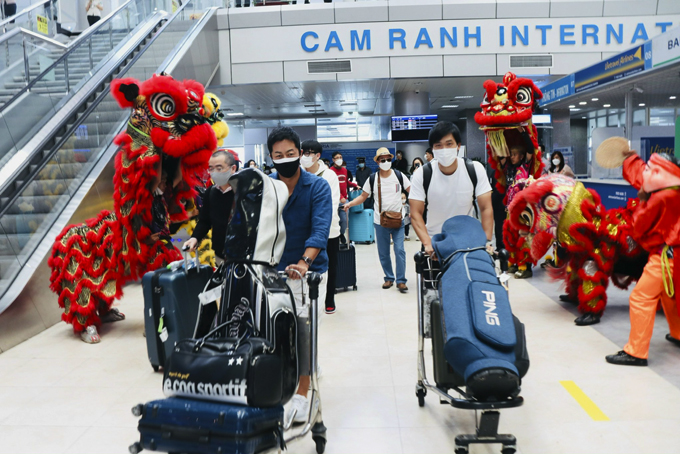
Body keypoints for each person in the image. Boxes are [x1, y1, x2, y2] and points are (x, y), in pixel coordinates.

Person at [266, 127, 332, 425]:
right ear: (271, 157)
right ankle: (278, 385)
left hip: (309, 273)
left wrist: (305, 262)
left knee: (304, 334)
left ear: (300, 154)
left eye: (291, 154)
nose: (285, 160)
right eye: (278, 155)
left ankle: (304, 391)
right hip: (272, 272)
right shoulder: (266, 189)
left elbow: (320, 229)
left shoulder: (317, 187)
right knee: (275, 333)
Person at [606, 152, 680, 366]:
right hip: (675, 254)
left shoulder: (661, 197)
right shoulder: (672, 186)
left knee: (641, 298)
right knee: (670, 295)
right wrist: (631, 159)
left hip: (666, 256)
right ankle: (677, 333)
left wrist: (642, 200)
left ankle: (636, 352)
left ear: (658, 172)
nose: (644, 171)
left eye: (648, 167)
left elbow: (640, 227)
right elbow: (640, 175)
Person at [409, 121, 493, 261]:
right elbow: (415, 213)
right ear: (432, 150)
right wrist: (427, 243)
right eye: (438, 145)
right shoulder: (422, 174)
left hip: (468, 243)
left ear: (458, 146)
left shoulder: (474, 169)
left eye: (449, 144)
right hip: (435, 242)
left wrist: (487, 240)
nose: (444, 149)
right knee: (433, 281)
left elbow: (486, 208)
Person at [344, 147, 410, 293]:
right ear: (378, 162)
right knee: (383, 252)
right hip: (380, 221)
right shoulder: (373, 178)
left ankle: (401, 280)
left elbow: (412, 191)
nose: (386, 162)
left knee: (399, 250)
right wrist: (350, 203)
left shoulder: (399, 176)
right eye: (383, 160)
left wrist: (416, 209)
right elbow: (363, 196)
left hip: (398, 219)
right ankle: (389, 277)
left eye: (388, 159)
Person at [301, 139, 341, 314]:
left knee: (330, 266)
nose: (305, 156)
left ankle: (329, 299)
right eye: (303, 152)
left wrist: (319, 225)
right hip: (304, 230)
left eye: (309, 153)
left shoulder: (329, 175)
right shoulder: (298, 173)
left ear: (318, 156)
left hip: (329, 230)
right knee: (305, 264)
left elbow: (331, 205)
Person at [183, 150, 237, 265]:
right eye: (211, 169)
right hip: (220, 253)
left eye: (219, 168)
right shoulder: (211, 192)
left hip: (244, 256)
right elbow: (205, 221)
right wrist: (195, 238)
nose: (214, 172)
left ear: (233, 169)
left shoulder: (244, 192)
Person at [330, 151, 358, 243]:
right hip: (334, 200)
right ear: (333, 160)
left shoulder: (345, 171)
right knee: (334, 221)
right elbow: (332, 186)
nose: (339, 159)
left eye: (340, 157)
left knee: (344, 220)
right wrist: (339, 197)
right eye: (337, 157)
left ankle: (341, 234)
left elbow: (346, 183)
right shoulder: (330, 171)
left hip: (344, 200)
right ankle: (334, 237)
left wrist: (355, 185)